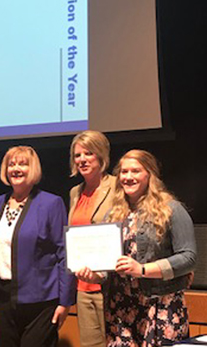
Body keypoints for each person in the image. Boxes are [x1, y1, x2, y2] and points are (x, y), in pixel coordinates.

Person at [77, 149, 197, 347]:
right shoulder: (113, 215)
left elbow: (189, 258)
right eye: (124, 172)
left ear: (149, 174)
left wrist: (142, 270)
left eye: (135, 171)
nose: (128, 177)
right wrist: (96, 276)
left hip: (159, 307)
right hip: (120, 310)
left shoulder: (171, 209)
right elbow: (110, 265)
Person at [0, 145, 75, 347]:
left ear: (33, 169)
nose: (16, 169)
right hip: (3, 300)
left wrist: (65, 301)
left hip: (41, 302)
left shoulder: (51, 203)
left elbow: (64, 253)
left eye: (23, 164)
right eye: (11, 164)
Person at [68, 131, 115, 347]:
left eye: (89, 153)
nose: (82, 160)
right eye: (77, 155)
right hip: (83, 287)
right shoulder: (75, 193)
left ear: (101, 155)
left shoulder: (118, 187)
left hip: (111, 287)